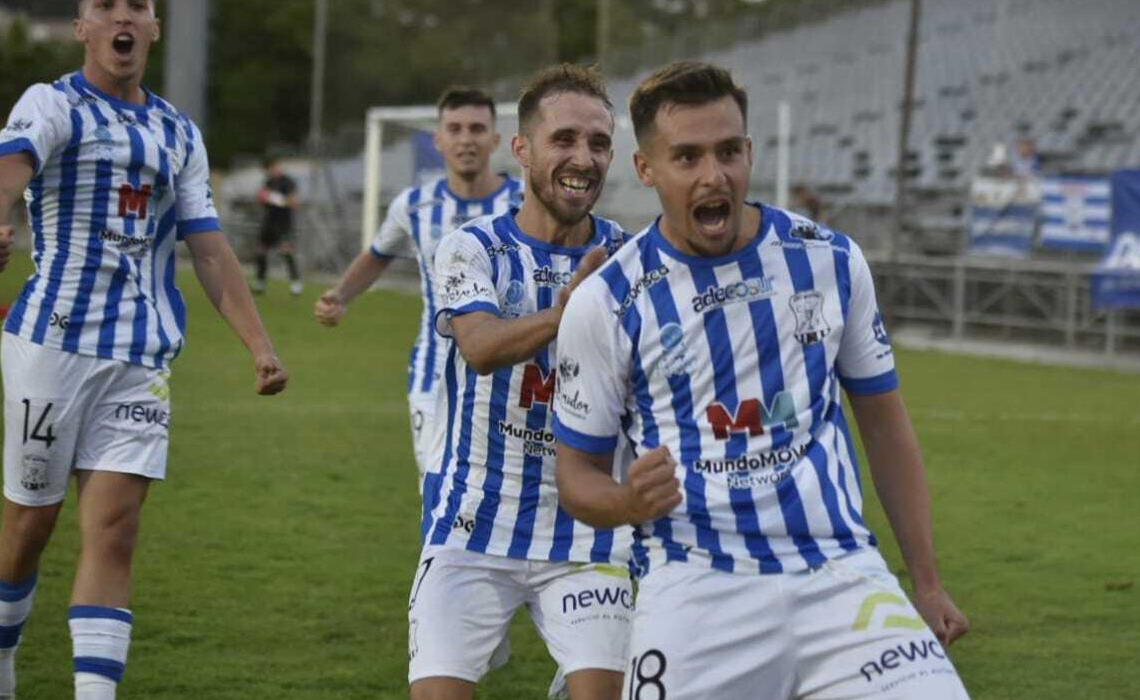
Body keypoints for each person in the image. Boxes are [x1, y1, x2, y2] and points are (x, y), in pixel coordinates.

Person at [552, 61, 971, 698]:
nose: (713, 175)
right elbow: (576, 477)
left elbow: (885, 428)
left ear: (750, 152)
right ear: (646, 169)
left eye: (728, 151)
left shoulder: (830, 260)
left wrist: (928, 582)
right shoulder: (607, 300)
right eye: (687, 157)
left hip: (839, 572)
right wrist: (627, 502)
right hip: (694, 583)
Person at [0, 0, 289, 700]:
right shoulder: (52, 105)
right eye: (105, 5)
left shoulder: (179, 133)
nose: (123, 17)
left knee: (114, 530)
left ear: (154, 26)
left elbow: (208, 249)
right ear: (82, 26)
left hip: (140, 358)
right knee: (29, 527)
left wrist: (260, 345)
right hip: (51, 347)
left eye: (136, 5)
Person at [409, 64, 631, 700]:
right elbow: (480, 348)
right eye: (564, 139)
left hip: (588, 533)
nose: (583, 158)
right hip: (473, 523)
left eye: (598, 143)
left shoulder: (634, 260)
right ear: (522, 150)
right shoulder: (471, 247)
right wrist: (568, 313)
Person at [314, 87, 521, 496]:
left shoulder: (525, 201)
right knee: (435, 487)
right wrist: (340, 295)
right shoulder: (413, 206)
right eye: (455, 129)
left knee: (500, 490)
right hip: (433, 374)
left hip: (509, 371)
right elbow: (378, 254)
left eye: (477, 129)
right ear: (438, 139)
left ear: (496, 139)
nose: (466, 139)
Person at [252, 156, 302, 295]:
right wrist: (263, 198)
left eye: (275, 167)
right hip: (269, 221)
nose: (273, 170)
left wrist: (274, 198)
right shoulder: (268, 182)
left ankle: (296, 283)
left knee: (286, 251)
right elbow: (262, 199)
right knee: (261, 251)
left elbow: (294, 202)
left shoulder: (287, 182)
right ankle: (260, 283)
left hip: (283, 223)